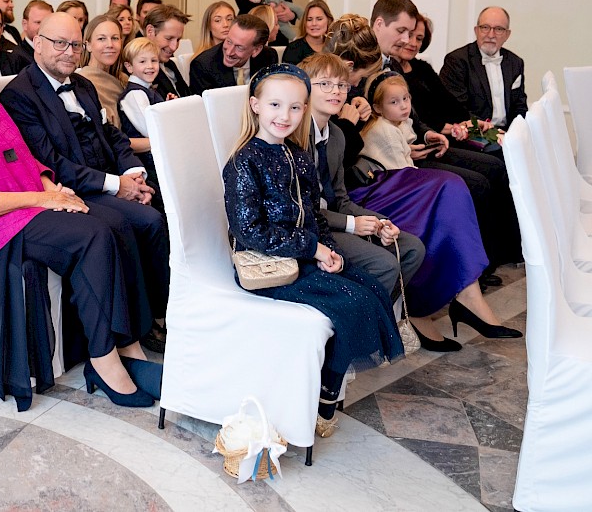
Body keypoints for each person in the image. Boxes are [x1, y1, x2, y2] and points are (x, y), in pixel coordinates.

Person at [0, 18, 160, 410]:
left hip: (21, 206)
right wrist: (37, 200)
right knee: (91, 235)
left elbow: (25, 159)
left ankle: (124, 342)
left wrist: (52, 189)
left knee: (106, 222)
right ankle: (104, 357)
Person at [223, 62, 403, 438]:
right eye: (274, 106)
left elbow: (314, 214)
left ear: (304, 110)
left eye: (294, 107)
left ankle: (328, 385)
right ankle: (324, 392)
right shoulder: (244, 162)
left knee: (369, 289)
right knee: (349, 303)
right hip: (272, 268)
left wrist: (329, 248)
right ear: (255, 105)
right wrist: (313, 249)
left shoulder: (298, 155)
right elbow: (250, 231)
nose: (284, 116)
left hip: (304, 256)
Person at [0, 12, 171, 353]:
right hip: (71, 190)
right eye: (60, 43)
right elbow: (50, 163)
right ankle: (135, 328)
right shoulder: (19, 96)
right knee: (138, 220)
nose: (69, 51)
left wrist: (134, 174)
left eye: (75, 44)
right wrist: (115, 184)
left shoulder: (83, 85)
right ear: (37, 43)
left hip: (108, 179)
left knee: (154, 218)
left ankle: (161, 315)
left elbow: (114, 136)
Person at [352, 70, 522, 346]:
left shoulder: (375, 105)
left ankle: (467, 293)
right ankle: (426, 305)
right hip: (368, 189)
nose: (338, 88)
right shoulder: (357, 112)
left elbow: (411, 130)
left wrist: (426, 137)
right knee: (449, 188)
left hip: (391, 178)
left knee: (455, 187)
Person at [369, 0, 521, 279]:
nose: (410, 41)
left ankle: (503, 251)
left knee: (498, 163)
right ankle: (475, 265)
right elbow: (402, 120)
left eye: (416, 37)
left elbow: (440, 110)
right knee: (479, 180)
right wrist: (439, 131)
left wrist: (456, 128)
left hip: (429, 139)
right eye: (404, 34)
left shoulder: (422, 69)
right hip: (405, 153)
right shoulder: (383, 70)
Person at [300, 53, 426, 303]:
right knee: (385, 264)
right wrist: (352, 225)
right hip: (311, 229)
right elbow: (304, 210)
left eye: (341, 85)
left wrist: (381, 222)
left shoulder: (336, 135)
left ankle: (379, 316)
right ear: (304, 88)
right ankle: (364, 326)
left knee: (412, 249)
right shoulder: (297, 137)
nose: (335, 91)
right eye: (324, 84)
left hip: (332, 218)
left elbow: (341, 199)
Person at [396, 15, 496, 145]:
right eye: (409, 36)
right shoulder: (392, 73)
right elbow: (416, 117)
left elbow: (448, 102)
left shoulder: (422, 67)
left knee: (498, 149)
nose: (413, 43)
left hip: (445, 134)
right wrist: (453, 128)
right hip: (422, 140)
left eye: (419, 38)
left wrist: (472, 122)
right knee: (492, 163)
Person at [440, 7, 527, 129]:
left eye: (499, 29)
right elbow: (456, 110)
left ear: (507, 35)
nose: (491, 35)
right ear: (476, 30)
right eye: (485, 27)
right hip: (472, 134)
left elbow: (520, 107)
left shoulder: (515, 63)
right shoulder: (456, 61)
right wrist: (489, 133)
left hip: (506, 135)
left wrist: (515, 134)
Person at [117, 38, 169, 210]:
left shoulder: (147, 90)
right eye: (142, 61)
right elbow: (149, 129)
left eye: (154, 60)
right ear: (129, 67)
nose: (150, 66)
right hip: (147, 160)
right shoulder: (134, 95)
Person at [189, 14, 269, 94]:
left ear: (256, 50)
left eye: (239, 47)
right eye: (228, 41)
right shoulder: (203, 65)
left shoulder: (269, 57)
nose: (229, 52)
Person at [77, 14, 126, 127]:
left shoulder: (124, 80)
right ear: (88, 45)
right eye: (101, 39)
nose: (110, 45)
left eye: (115, 38)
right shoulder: (81, 82)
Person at [142, 4, 192, 98]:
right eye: (169, 38)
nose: (174, 47)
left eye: (178, 40)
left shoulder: (170, 64)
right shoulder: (140, 70)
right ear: (150, 31)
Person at [283, 0, 334, 65]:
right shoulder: (294, 49)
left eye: (319, 19)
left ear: (328, 20)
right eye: (309, 19)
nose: (314, 23)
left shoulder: (335, 47)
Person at [246, 5, 282, 70]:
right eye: (276, 24)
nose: (278, 27)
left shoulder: (271, 53)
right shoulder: (270, 55)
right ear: (268, 26)